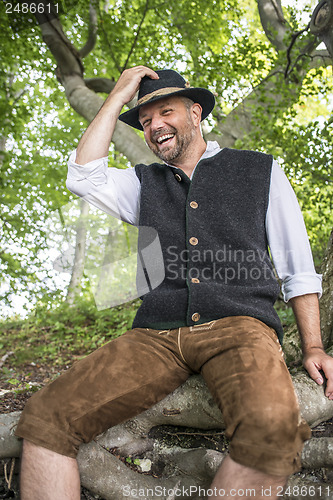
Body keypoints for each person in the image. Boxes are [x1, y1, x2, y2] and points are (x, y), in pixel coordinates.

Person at [15, 66, 333, 500]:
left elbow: (298, 267)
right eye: (145, 121)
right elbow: (83, 175)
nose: (155, 126)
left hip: (240, 327)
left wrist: (313, 346)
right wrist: (121, 92)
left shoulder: (260, 171)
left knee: (272, 431)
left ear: (196, 112)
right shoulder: (143, 183)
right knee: (46, 417)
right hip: (155, 336)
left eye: (165, 112)